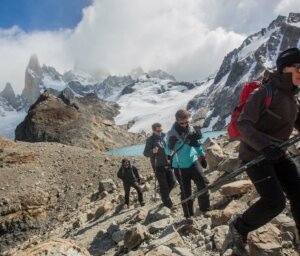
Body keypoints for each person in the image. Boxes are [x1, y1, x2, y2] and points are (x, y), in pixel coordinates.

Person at [221, 47, 300, 255]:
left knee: (299, 193)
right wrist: (265, 146)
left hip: (277, 153)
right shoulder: (264, 92)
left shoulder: (293, 98)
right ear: (284, 69)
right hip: (255, 155)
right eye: (299, 68)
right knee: (275, 202)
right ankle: (239, 227)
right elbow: (243, 124)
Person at [165, 109, 209, 219]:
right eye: (182, 123)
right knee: (186, 191)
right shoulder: (171, 134)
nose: (185, 125)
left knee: (203, 184)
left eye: (186, 122)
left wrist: (202, 156)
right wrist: (169, 145)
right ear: (177, 121)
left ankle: (205, 209)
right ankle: (188, 215)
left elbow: (196, 144)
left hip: (193, 161)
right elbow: (167, 152)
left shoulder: (190, 129)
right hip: (179, 166)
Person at [143, 122, 176, 209]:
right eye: (158, 131)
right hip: (158, 166)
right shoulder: (150, 140)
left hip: (168, 164)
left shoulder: (164, 136)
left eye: (161, 130)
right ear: (153, 130)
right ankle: (168, 204)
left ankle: (164, 195)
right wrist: (153, 151)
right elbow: (145, 153)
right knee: (164, 185)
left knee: (172, 182)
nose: (160, 132)